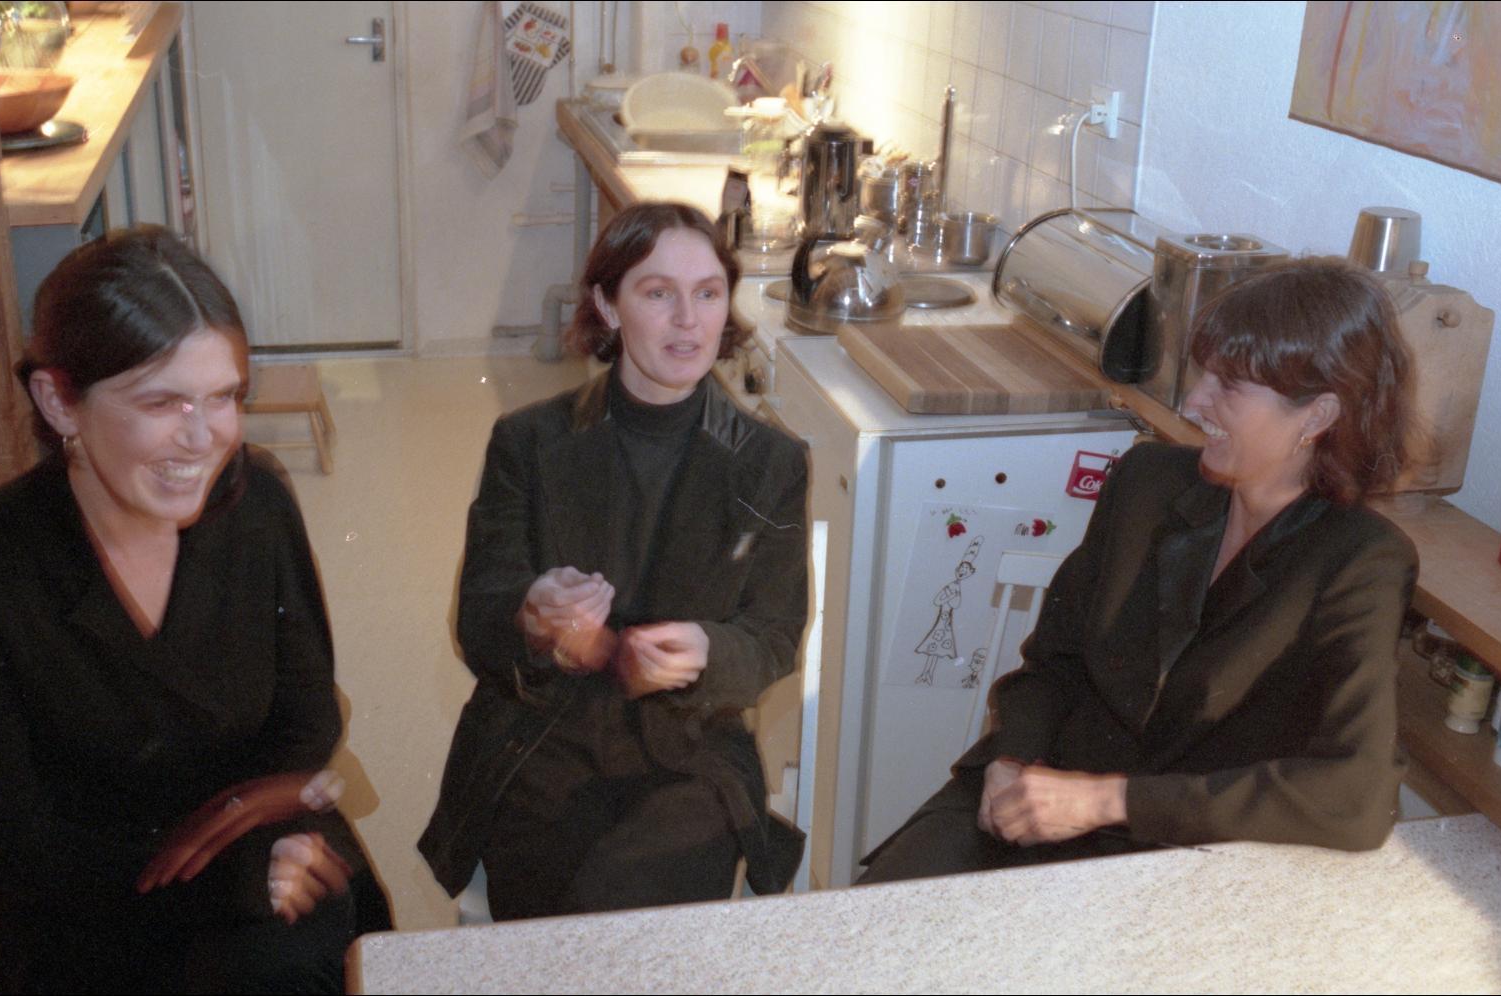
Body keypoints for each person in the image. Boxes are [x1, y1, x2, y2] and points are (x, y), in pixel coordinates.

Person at [0, 226, 388, 993]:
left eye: (225, 397)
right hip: (92, 910)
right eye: (162, 402)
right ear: (59, 401)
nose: (204, 439)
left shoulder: (257, 504)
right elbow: (12, 840)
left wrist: (264, 824)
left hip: (271, 857)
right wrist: (226, 879)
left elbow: (306, 715)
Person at [858, 257, 1418, 882]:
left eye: (1230, 386)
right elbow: (1053, 664)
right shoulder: (1146, 483)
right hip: (1037, 793)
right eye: (1204, 374)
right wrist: (1011, 759)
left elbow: (1357, 796)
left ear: (1317, 416)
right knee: (875, 915)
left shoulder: (1360, 562)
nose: (1195, 401)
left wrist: (1106, 801)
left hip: (1175, 849)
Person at [418, 202, 810, 920]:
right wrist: (532, 615)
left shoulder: (770, 463)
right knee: (557, 913)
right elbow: (477, 622)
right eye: (658, 293)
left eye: (708, 294)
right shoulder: (527, 442)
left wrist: (706, 650)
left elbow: (775, 637)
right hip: (543, 737)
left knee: (631, 906)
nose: (688, 321)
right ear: (606, 304)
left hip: (688, 751)